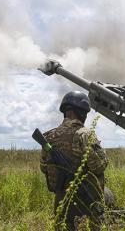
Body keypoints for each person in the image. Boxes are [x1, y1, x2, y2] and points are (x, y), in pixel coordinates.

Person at [39, 91, 108, 231]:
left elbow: (43, 168)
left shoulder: (49, 137)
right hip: (87, 200)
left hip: (61, 200)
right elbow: (99, 167)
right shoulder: (84, 134)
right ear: (82, 113)